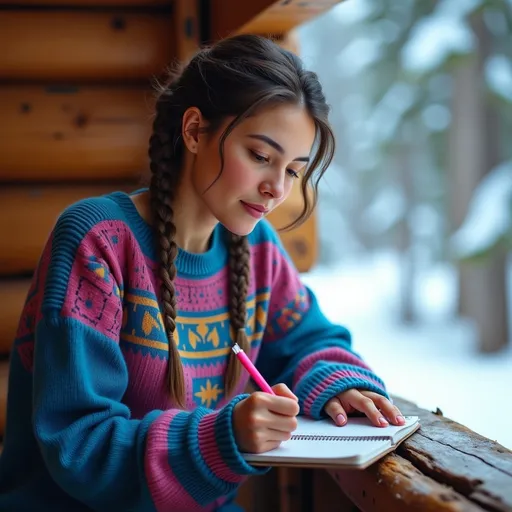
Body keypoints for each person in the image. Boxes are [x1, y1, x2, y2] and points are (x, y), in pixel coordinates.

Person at [0, 34, 404, 512]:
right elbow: (79, 445)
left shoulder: (256, 250)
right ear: (194, 131)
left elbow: (308, 340)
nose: (276, 188)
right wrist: (223, 435)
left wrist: (339, 385)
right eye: (260, 156)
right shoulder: (98, 240)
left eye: (294, 170)